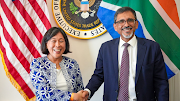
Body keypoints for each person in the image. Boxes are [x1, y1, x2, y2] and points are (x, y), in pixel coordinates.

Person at [82, 7, 169, 101]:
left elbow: (161, 82)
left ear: (136, 24)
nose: (126, 24)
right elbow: (98, 75)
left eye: (130, 20)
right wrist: (87, 91)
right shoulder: (105, 48)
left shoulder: (152, 48)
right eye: (121, 21)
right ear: (115, 26)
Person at [30, 27, 84, 101]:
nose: (58, 45)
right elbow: (43, 93)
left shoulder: (72, 63)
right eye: (53, 41)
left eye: (61, 41)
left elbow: (80, 90)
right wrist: (72, 96)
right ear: (46, 44)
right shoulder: (37, 64)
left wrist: (83, 95)